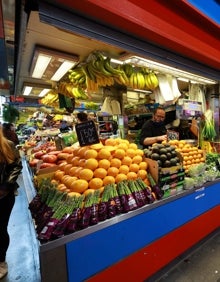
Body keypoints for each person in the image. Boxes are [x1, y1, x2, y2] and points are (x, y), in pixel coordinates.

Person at [0, 126, 22, 279]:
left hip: (3, 196)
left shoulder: (7, 145)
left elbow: (16, 166)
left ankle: (1, 261)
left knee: (0, 228)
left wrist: (4, 188)